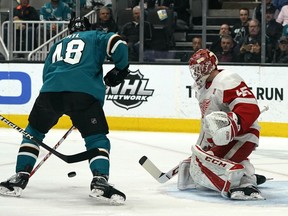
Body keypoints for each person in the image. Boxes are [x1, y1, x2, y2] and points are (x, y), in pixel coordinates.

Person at [0, 16, 129, 205]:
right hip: (83, 95)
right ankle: (100, 180)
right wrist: (121, 69)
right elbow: (117, 43)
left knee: (33, 133)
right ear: (88, 27)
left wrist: (60, 99)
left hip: (51, 93)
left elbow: (47, 73)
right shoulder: (94, 36)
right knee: (96, 138)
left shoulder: (57, 44)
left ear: (69, 30)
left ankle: (19, 176)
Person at [177, 48, 264, 200]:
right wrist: (200, 148)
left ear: (211, 65)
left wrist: (234, 123)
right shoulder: (202, 88)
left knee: (207, 167)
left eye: (202, 67)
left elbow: (250, 107)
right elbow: (206, 122)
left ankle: (246, 183)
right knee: (200, 165)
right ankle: (246, 171)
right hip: (222, 140)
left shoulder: (227, 79)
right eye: (195, 69)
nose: (198, 73)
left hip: (243, 136)